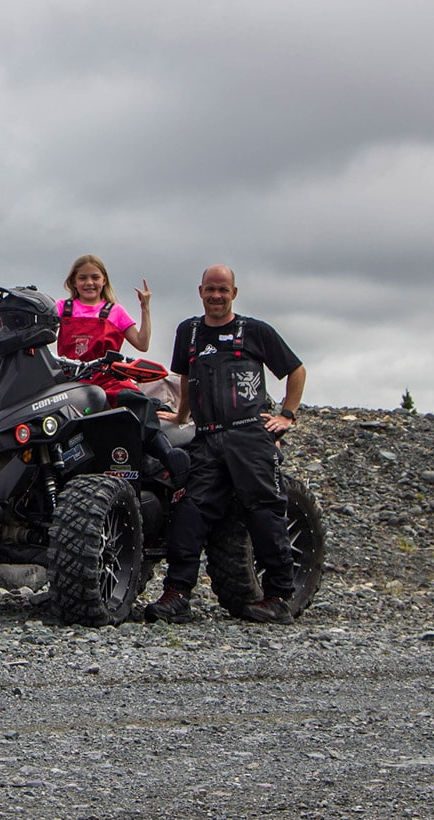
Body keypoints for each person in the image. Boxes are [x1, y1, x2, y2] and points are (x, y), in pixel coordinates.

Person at [145, 264, 306, 625]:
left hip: (248, 434)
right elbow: (186, 377)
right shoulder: (188, 332)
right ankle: (177, 595)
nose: (216, 296)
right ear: (200, 291)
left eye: (223, 290)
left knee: (264, 509)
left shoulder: (255, 331)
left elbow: (296, 370)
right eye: (210, 289)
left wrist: (288, 415)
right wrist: (182, 415)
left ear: (234, 293)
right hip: (207, 438)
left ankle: (279, 596)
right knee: (189, 510)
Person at [58, 254, 187, 484]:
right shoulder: (62, 308)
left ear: (104, 280)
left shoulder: (115, 311)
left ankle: (166, 454)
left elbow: (142, 344)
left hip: (108, 379)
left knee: (136, 400)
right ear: (73, 282)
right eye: (83, 277)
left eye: (95, 277)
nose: (89, 283)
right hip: (71, 381)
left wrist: (145, 308)